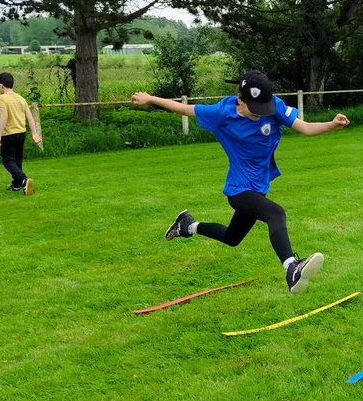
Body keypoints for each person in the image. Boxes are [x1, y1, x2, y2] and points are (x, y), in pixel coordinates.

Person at [131, 71, 350, 293]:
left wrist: (331, 125)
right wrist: (150, 98)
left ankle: (187, 225)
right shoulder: (221, 113)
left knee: (232, 237)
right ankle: (291, 267)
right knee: (276, 213)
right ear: (240, 99)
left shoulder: (272, 106)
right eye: (254, 110)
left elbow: (303, 127)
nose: (259, 115)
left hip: (259, 188)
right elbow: (184, 109)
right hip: (239, 191)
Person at [0, 71, 41, 195]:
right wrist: (34, 133)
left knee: (8, 161)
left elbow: (3, 117)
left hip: (9, 134)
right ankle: (16, 185)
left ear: (1, 85)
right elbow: (30, 117)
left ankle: (24, 180)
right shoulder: (21, 98)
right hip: (21, 133)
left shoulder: (1, 98)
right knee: (17, 160)